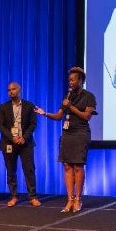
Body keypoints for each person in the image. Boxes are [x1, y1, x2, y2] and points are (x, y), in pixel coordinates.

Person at [35, 67, 97, 213]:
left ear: (80, 80)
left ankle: (78, 199)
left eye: (73, 79)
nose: (70, 82)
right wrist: (44, 113)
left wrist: (72, 107)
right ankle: (69, 199)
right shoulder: (67, 96)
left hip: (81, 132)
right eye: (69, 80)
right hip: (67, 133)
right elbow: (58, 116)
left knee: (78, 166)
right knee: (67, 166)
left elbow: (86, 116)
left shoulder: (89, 96)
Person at [0, 82, 41, 207]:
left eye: (13, 89)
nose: (11, 91)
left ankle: (33, 196)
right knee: (11, 170)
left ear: (19, 90)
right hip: (9, 143)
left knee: (29, 169)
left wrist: (24, 137)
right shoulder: (3, 107)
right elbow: (1, 126)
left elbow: (33, 124)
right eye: (9, 90)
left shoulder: (28, 105)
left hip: (25, 143)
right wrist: (13, 138)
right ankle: (13, 196)